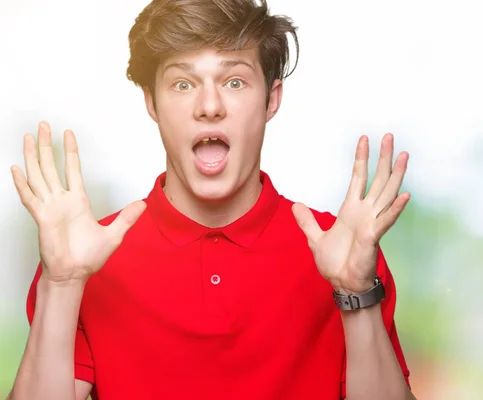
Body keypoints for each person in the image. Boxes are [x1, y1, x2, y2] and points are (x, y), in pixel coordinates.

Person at [8, 0, 415, 399]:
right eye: (183, 84)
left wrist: (355, 292)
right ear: (152, 102)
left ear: (272, 99)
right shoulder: (84, 258)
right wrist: (61, 284)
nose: (209, 107)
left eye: (234, 82)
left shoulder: (343, 251)